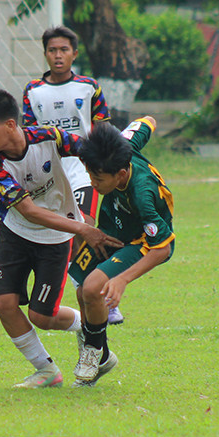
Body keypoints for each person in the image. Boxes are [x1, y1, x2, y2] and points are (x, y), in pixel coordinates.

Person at [0, 88, 123, 389]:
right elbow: (28, 211)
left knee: (42, 317)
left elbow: (88, 151)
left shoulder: (49, 137)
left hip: (55, 238)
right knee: (3, 303)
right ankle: (47, 371)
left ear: (10, 125)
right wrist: (83, 229)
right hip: (16, 233)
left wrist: (116, 175)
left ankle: (91, 333)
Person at [22, 26, 126, 326]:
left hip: (83, 170)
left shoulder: (88, 86)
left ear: (74, 54)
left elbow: (103, 127)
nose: (58, 55)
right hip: (50, 174)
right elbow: (30, 135)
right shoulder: (33, 91)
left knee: (86, 228)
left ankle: (106, 298)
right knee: (63, 233)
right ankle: (83, 292)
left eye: (63, 50)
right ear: (45, 53)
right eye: (52, 50)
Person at [69, 118, 174, 387]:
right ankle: (101, 354)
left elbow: (163, 248)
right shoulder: (121, 149)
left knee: (93, 287)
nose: (92, 183)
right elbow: (147, 122)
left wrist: (122, 279)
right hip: (114, 224)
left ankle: (92, 353)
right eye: (90, 175)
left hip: (143, 241)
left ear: (121, 175)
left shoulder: (142, 193)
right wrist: (147, 123)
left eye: (98, 178)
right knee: (82, 291)